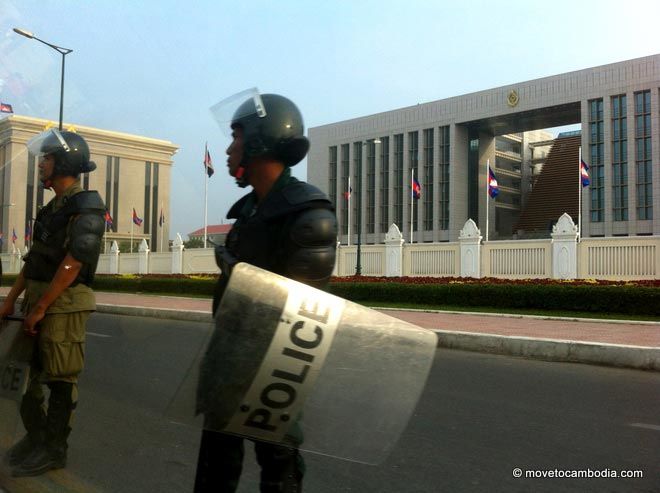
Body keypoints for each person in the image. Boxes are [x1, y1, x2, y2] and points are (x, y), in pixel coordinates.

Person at [194, 92, 338, 492]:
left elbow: (305, 309)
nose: (228, 149)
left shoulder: (308, 214)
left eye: (236, 137)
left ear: (258, 140)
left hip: (275, 363)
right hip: (230, 357)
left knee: (278, 464)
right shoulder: (248, 211)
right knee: (215, 463)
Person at [0, 129, 105, 477]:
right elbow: (34, 262)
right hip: (40, 298)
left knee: (60, 379)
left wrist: (43, 306)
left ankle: (55, 449)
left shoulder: (86, 204)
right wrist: (11, 300)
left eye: (46, 158)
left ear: (63, 162)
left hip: (64, 303)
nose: (41, 163)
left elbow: (75, 259)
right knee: (24, 378)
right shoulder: (50, 210)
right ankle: (37, 437)